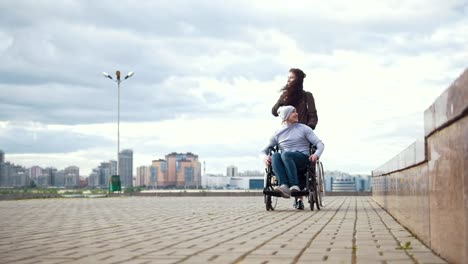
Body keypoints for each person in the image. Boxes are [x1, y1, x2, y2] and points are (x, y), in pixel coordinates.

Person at [262, 105, 324, 210]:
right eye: (293, 112)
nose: (297, 113)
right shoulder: (277, 133)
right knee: (276, 155)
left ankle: (295, 185)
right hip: (285, 160)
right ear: (286, 116)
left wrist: (316, 154)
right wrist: (265, 157)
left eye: (296, 111)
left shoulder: (304, 129)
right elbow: (263, 150)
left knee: (285, 154)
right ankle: (284, 186)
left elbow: (320, 144)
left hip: (302, 160)